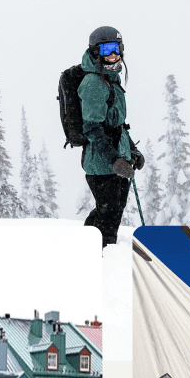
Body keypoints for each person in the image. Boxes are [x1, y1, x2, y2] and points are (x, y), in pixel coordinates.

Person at [72, 25, 140, 245]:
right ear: (94, 52)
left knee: (110, 214)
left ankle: (84, 248)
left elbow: (116, 125)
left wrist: (132, 150)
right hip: (102, 165)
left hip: (116, 159)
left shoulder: (111, 79)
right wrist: (114, 160)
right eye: (106, 49)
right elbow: (92, 127)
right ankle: (97, 260)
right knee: (108, 221)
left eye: (116, 48)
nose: (113, 54)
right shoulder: (94, 83)